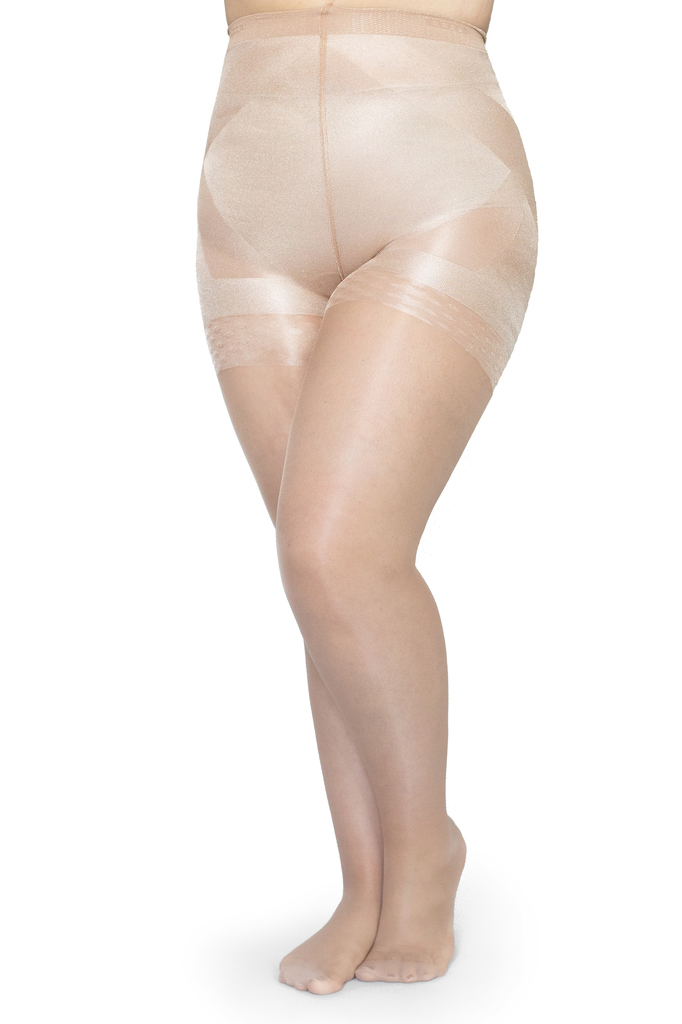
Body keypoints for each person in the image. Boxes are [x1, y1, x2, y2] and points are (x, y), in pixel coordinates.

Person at [196, 0, 537, 994]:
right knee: (322, 577)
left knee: (335, 549)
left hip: (435, 181)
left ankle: (426, 853)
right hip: (247, 196)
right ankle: (366, 879)